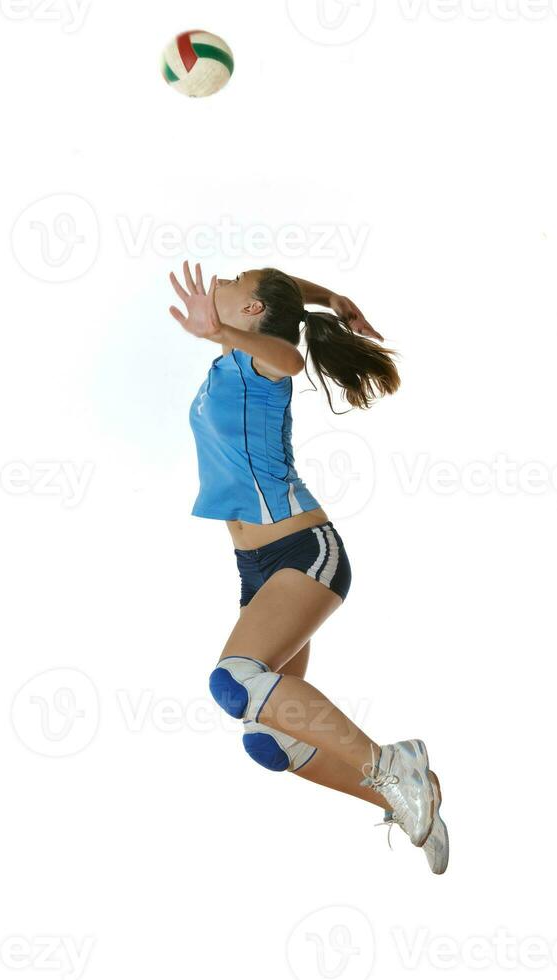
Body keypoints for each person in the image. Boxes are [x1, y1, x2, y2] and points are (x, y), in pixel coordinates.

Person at [169, 260, 449, 874]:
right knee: (271, 740)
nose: (222, 275)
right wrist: (337, 296)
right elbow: (285, 297)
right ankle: (403, 802)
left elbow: (290, 357)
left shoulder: (261, 363)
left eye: (237, 280)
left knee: (235, 681)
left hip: (305, 551)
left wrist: (221, 334)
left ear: (250, 313)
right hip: (255, 567)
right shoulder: (231, 360)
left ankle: (389, 763)